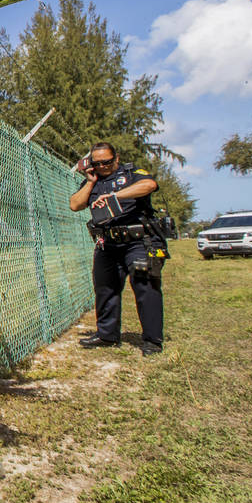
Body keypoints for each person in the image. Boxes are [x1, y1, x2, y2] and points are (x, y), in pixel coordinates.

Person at [69, 141, 167, 356]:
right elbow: (75, 205)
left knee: (145, 286)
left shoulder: (132, 174)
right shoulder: (93, 181)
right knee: (105, 289)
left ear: (117, 158)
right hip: (108, 243)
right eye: (98, 163)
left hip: (138, 241)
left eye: (107, 162)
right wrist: (89, 182)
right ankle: (107, 335)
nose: (103, 166)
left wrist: (115, 196)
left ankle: (152, 340)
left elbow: (149, 185)